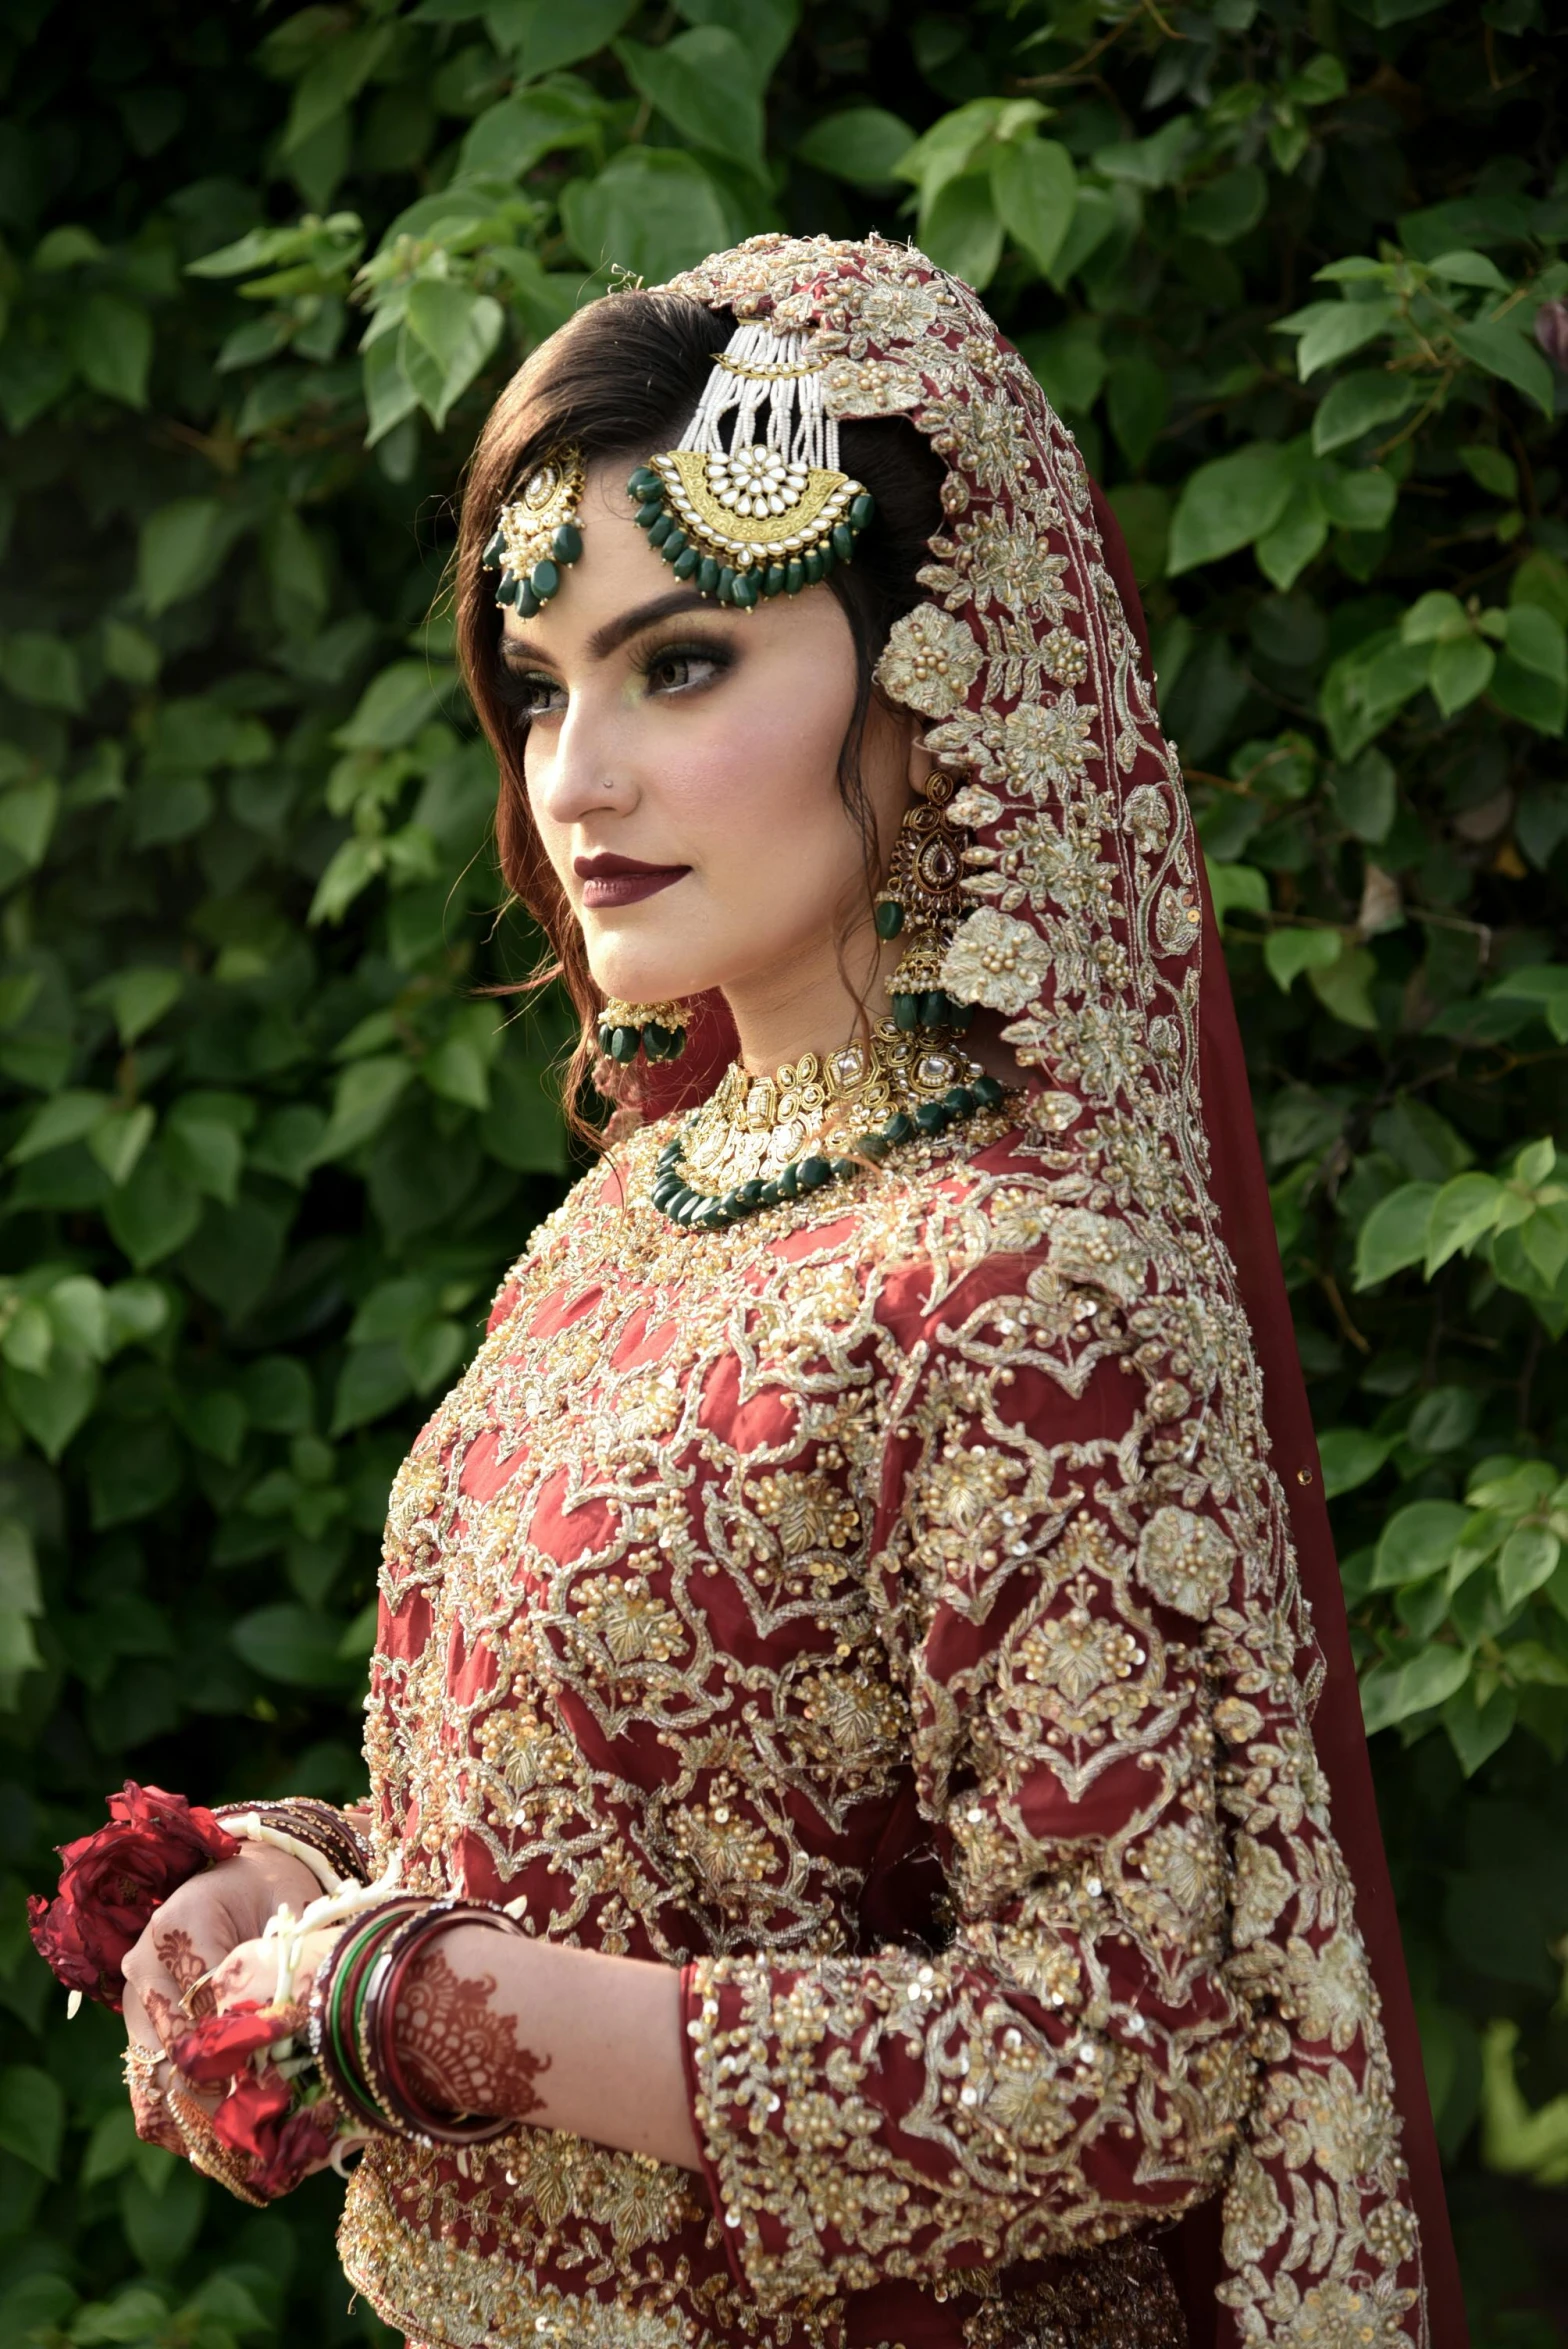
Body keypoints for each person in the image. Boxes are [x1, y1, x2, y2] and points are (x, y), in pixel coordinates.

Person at [87, 234, 1463, 2348]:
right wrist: (296, 1890)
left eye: (683, 664)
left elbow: (1112, 2066)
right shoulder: (633, 1219)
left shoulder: (1022, 1292)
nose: (576, 775)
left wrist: (428, 2003)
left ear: (931, 677)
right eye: (543, 684)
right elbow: (634, 1832)